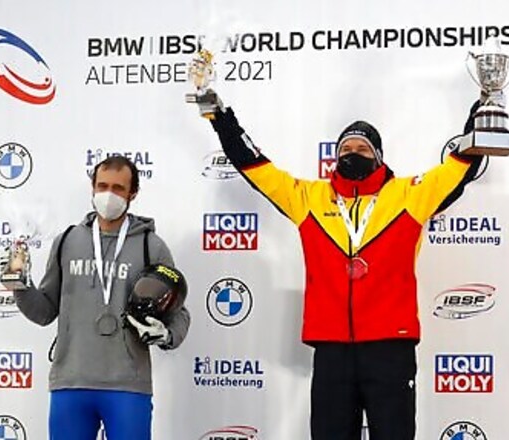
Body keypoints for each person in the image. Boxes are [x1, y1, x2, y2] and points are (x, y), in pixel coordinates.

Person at [207, 102, 483, 439]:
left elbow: (460, 167)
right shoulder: (308, 197)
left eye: (362, 148)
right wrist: (221, 119)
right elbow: (255, 167)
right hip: (332, 348)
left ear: (378, 156)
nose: (353, 154)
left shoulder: (410, 194)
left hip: (389, 346)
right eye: (345, 149)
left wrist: (481, 113)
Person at [11, 156, 191, 440]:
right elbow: (44, 311)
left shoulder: (151, 246)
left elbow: (178, 312)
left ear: (133, 194)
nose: (109, 195)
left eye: (118, 188)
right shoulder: (67, 241)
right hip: (71, 383)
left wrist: (167, 335)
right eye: (102, 186)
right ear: (92, 188)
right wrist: (19, 284)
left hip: (127, 386)